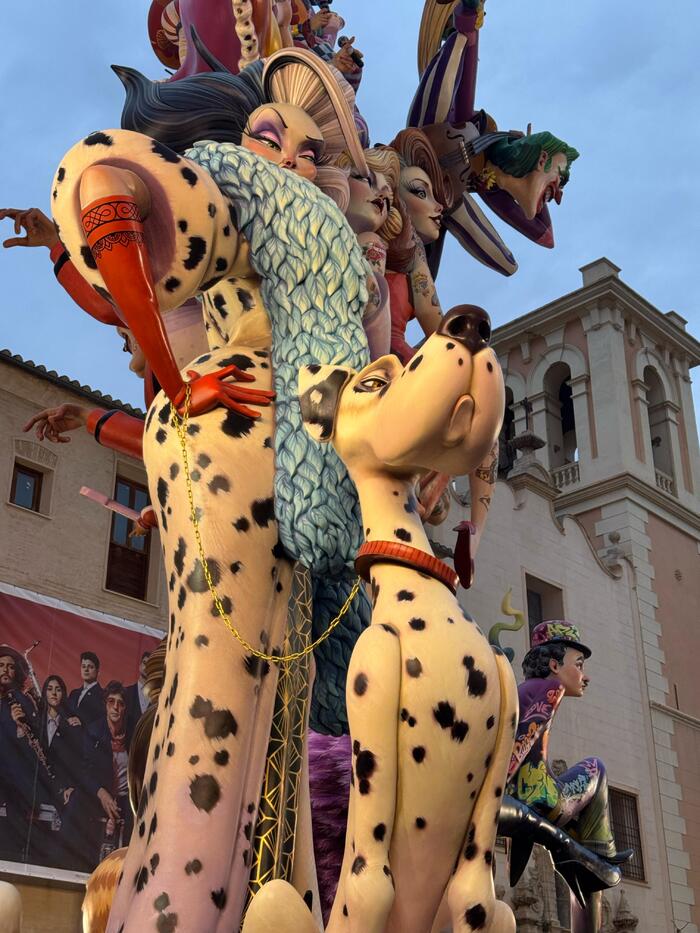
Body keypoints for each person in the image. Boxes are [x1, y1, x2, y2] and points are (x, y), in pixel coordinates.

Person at [501, 622, 632, 931]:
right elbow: (522, 744)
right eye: (579, 665)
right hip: (540, 795)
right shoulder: (550, 689)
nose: (585, 676)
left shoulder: (523, 691)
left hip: (527, 793)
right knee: (596, 769)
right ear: (554, 665)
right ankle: (602, 857)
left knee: (583, 835)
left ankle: (594, 859)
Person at [32, 675, 84, 868]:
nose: (54, 693)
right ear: (44, 693)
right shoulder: (35, 721)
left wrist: (69, 786)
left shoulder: (71, 724)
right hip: (37, 783)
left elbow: (74, 762)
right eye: (50, 689)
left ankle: (55, 862)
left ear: (63, 694)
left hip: (59, 786)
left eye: (58, 689)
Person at [83, 681, 134, 864]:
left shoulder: (132, 733)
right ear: (105, 704)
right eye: (111, 702)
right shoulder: (93, 731)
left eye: (120, 703)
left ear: (125, 708)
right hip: (99, 794)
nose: (115, 707)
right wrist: (101, 793)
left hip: (125, 797)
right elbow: (85, 771)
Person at [0, 646, 40, 861]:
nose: (5, 670)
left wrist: (21, 726)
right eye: (1, 666)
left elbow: (33, 745)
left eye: (10, 667)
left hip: (14, 779)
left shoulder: (22, 702)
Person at [67, 651, 104, 727]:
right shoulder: (74, 693)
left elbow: (102, 723)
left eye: (90, 667)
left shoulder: (103, 695)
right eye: (83, 666)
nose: (86, 669)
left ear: (98, 672)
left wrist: (83, 723)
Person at [124, 652, 152, 737]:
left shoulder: (158, 699)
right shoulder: (126, 692)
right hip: (127, 745)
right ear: (140, 666)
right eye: (144, 663)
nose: (146, 667)